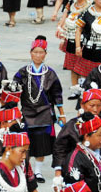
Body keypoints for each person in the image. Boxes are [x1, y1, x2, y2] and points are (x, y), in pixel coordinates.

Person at [12, 36, 64, 183]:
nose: (38, 55)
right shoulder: (22, 72)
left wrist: (61, 114)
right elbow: (14, 91)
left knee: (41, 144)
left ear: (45, 54)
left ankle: (38, 171)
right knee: (26, 142)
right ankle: (25, 170)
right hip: (27, 112)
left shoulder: (50, 74)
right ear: (31, 53)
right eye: (35, 52)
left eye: (41, 52)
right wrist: (14, 110)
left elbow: (57, 95)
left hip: (44, 113)